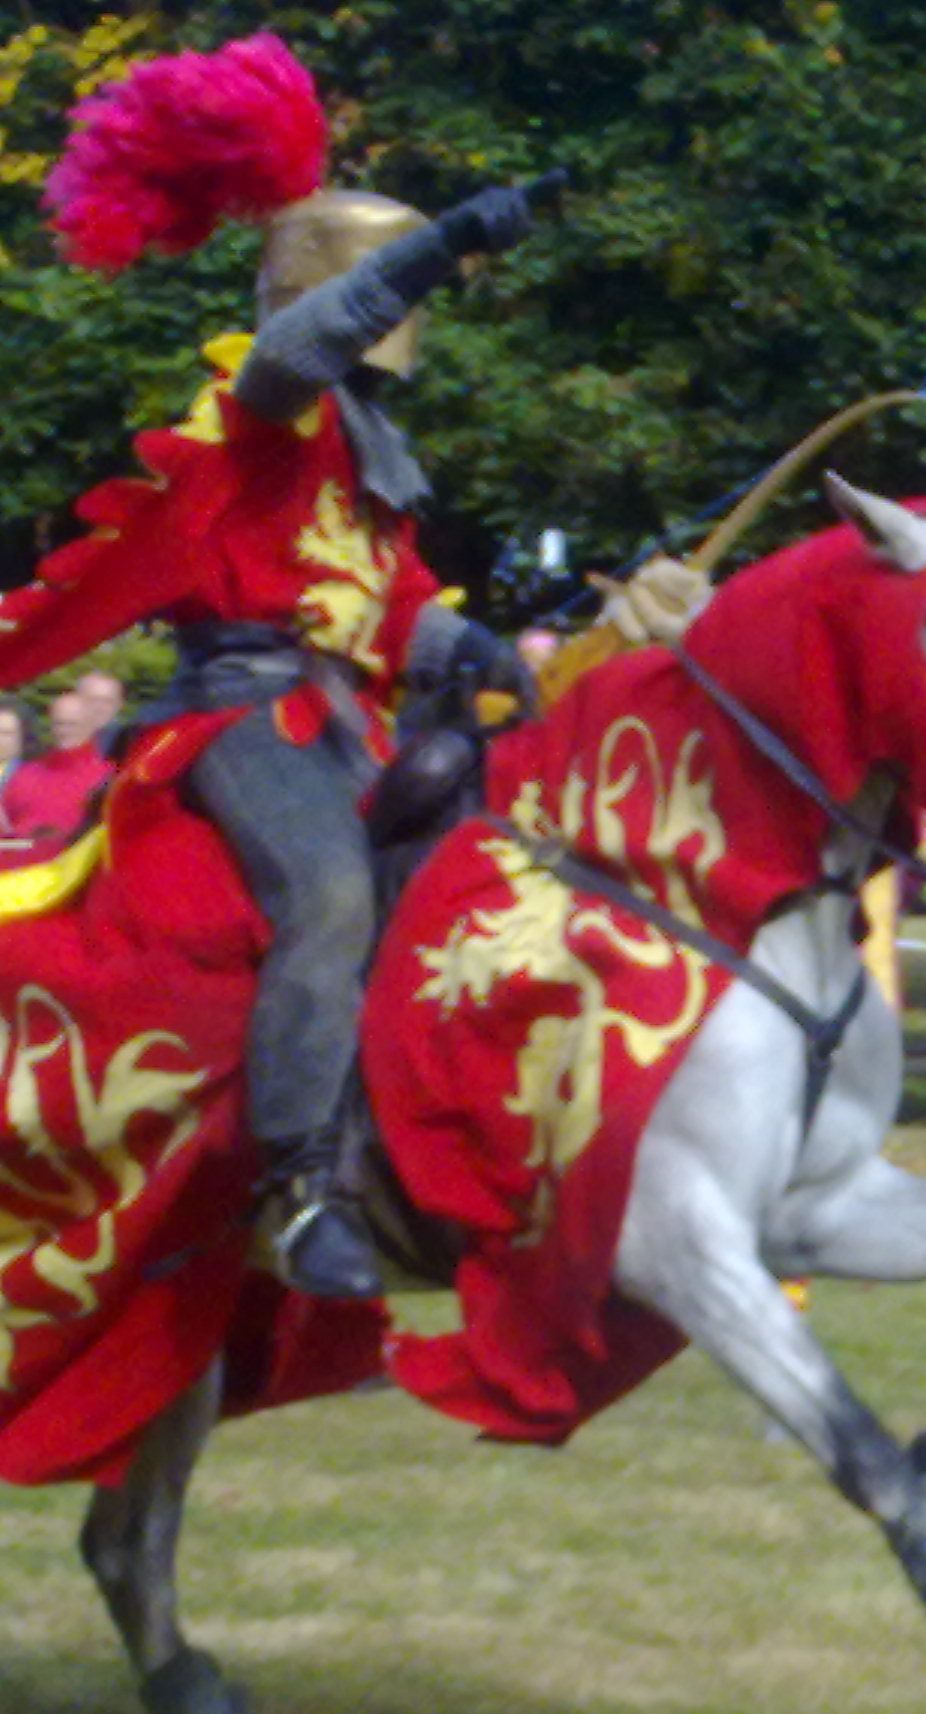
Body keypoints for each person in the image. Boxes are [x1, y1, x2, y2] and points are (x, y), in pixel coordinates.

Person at [0, 37, 617, 1301]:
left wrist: (488, 649)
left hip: (344, 719)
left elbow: (389, 613)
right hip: (235, 722)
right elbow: (306, 344)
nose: (410, 321)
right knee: (331, 895)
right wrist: (444, 242)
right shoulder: (269, 404)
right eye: (396, 296)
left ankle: (436, 1148)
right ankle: (294, 1182)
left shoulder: (373, 458)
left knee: (486, 876)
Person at [0, 688, 117, 854]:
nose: (64, 730)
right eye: (58, 723)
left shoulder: (107, 778)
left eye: (72, 724)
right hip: (19, 869)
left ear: (92, 726)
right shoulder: (24, 774)